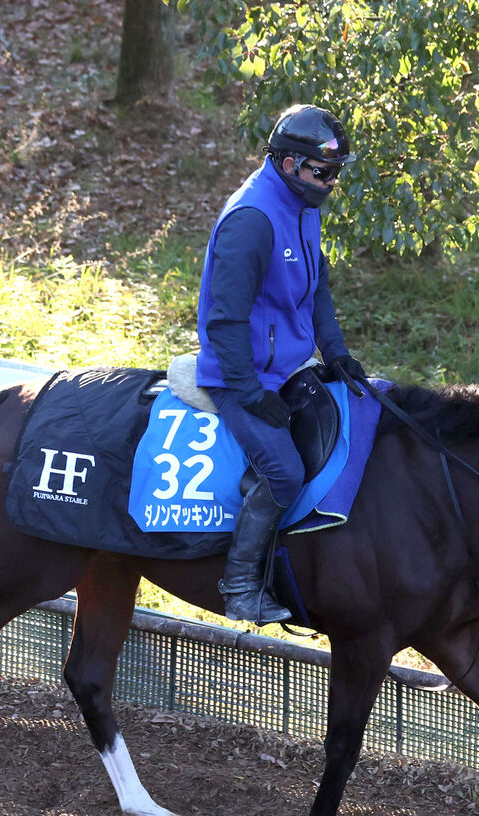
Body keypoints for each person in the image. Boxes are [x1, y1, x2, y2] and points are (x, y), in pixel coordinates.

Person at [196, 104, 367, 625]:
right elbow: (223, 320)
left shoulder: (303, 203)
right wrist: (247, 391)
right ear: (290, 164)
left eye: (337, 172)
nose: (332, 182)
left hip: (289, 369)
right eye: (324, 171)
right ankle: (241, 585)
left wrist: (334, 351)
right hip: (238, 376)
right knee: (284, 472)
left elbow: (317, 291)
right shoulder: (252, 219)